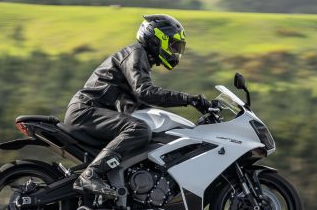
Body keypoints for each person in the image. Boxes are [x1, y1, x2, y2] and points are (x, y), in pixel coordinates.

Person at [64, 14, 211, 198]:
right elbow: (145, 91)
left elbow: (136, 105)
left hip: (90, 111)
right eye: (172, 45)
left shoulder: (140, 59)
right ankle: (91, 174)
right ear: (158, 39)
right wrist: (189, 99)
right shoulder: (136, 53)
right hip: (86, 110)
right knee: (139, 129)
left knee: (146, 129)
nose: (174, 51)